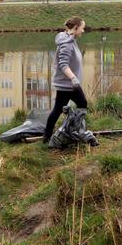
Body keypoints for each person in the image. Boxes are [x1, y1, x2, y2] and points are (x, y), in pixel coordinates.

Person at [43, 17, 88, 147]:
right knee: (81, 104)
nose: (83, 31)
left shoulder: (70, 39)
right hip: (68, 84)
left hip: (69, 84)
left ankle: (51, 134)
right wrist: (73, 78)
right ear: (75, 28)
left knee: (58, 109)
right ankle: (74, 131)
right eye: (82, 28)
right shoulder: (67, 44)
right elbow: (63, 64)